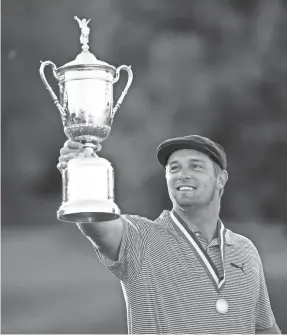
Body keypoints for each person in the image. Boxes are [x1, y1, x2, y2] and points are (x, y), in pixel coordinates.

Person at [58, 135, 281, 335]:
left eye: (196, 167)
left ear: (221, 179)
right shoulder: (140, 239)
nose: (183, 175)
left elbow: (264, 327)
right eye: (174, 168)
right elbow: (95, 223)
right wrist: (81, 173)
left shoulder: (246, 250)